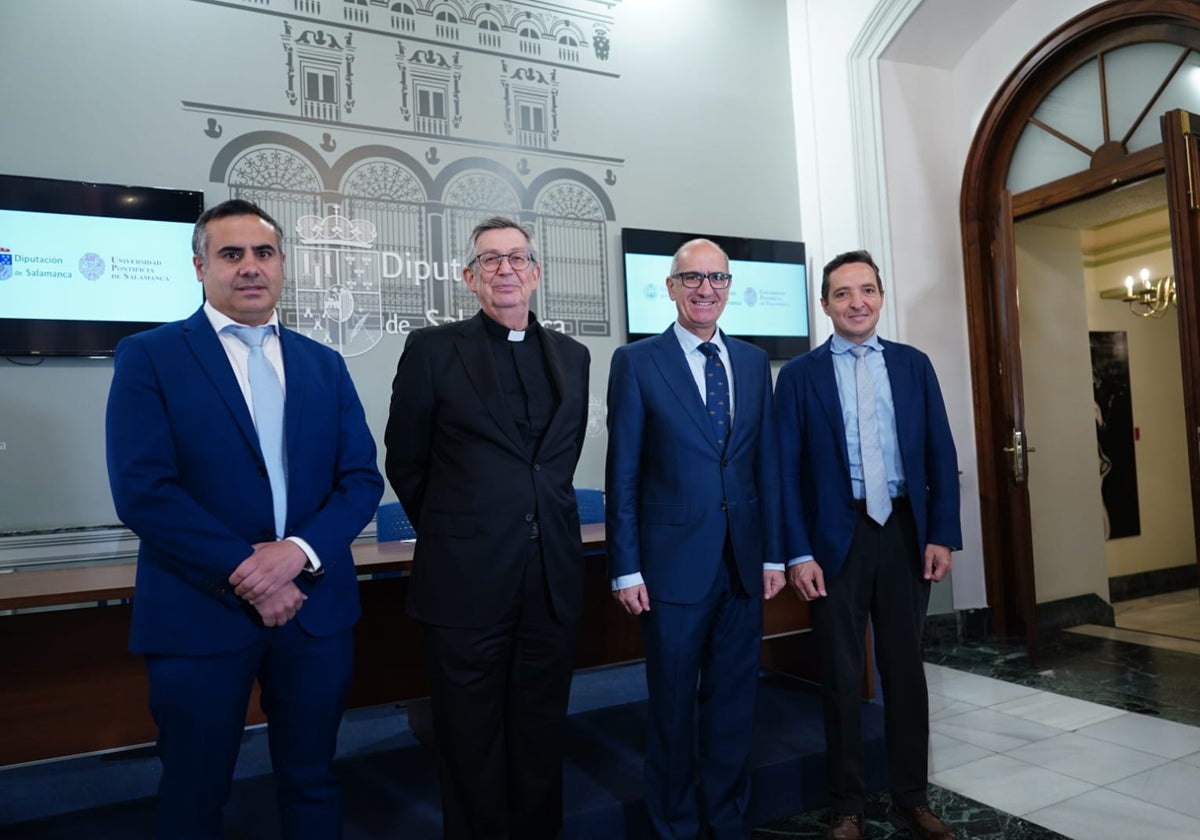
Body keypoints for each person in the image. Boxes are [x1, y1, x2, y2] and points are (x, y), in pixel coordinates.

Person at [105, 198, 384, 839]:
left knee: (312, 782)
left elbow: (361, 479)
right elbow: (144, 490)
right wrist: (247, 568)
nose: (250, 268)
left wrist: (298, 553)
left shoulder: (323, 363)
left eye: (264, 253)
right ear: (201, 267)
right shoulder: (150, 356)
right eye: (231, 255)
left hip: (314, 612)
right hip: (198, 614)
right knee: (194, 793)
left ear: (283, 266)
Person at [383, 216, 591, 839]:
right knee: (470, 742)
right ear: (469, 278)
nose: (506, 270)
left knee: (540, 734)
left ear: (537, 272)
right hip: (466, 582)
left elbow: (558, 461)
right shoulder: (433, 349)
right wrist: (460, 533)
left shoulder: (574, 357)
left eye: (517, 258)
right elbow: (406, 460)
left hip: (550, 578)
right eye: (490, 261)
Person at [774, 250, 961, 840]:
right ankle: (847, 806)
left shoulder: (913, 365)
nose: (857, 302)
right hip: (836, 539)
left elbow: (940, 453)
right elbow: (784, 473)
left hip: (905, 532)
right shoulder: (799, 377)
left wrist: (941, 535)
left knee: (905, 671)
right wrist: (798, 552)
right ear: (825, 304)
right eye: (843, 293)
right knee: (841, 674)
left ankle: (912, 797)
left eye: (867, 290)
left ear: (880, 296)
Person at [605, 238, 785, 839]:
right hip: (672, 568)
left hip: (742, 563)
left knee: (735, 706)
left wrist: (775, 553)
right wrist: (625, 567)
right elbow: (623, 472)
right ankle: (677, 825)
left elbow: (767, 467)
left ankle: (728, 821)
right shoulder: (637, 362)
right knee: (674, 710)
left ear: (730, 286)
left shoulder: (756, 363)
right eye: (692, 279)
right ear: (671, 287)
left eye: (717, 278)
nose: (705, 289)